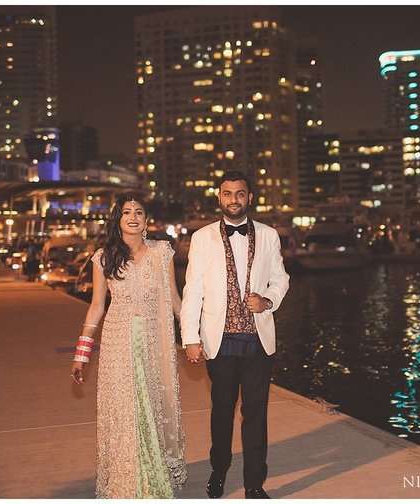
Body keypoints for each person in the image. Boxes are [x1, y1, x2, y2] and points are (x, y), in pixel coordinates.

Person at [180, 171, 289, 499]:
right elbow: (193, 290)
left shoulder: (269, 235)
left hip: (258, 341)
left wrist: (267, 300)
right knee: (222, 411)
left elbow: (281, 278)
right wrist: (190, 337)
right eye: (228, 193)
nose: (234, 199)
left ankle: (255, 483)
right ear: (219, 197)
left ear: (250, 197)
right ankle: (219, 471)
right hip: (220, 340)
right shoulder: (202, 238)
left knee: (256, 413)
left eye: (240, 194)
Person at [70, 196, 187, 498]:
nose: (133, 217)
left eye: (139, 212)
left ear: (147, 220)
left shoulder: (162, 253)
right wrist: (82, 353)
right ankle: (128, 478)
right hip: (117, 342)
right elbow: (97, 307)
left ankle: (152, 474)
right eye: (126, 212)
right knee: (125, 411)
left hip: (152, 340)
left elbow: (174, 299)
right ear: (117, 220)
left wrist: (195, 335)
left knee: (149, 406)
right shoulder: (103, 257)